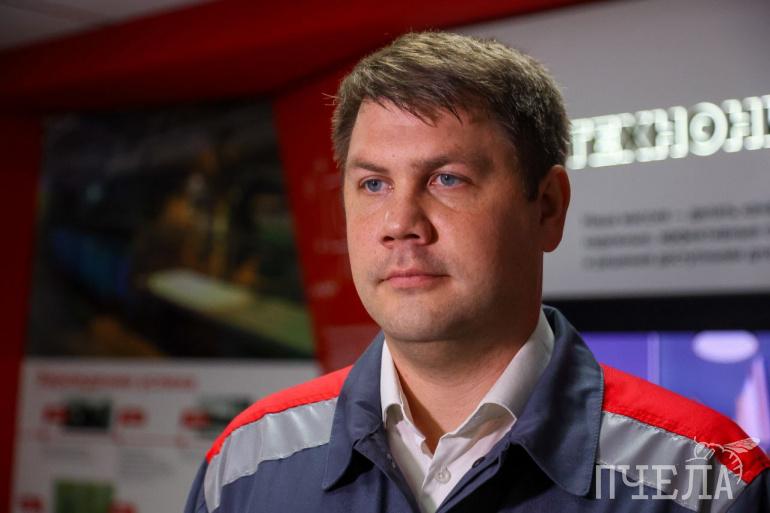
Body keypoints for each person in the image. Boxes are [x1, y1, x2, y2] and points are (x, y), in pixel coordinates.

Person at [184, 31, 769, 513]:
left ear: (547, 208)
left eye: (447, 179)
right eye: (374, 184)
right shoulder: (245, 463)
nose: (400, 223)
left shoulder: (706, 482)